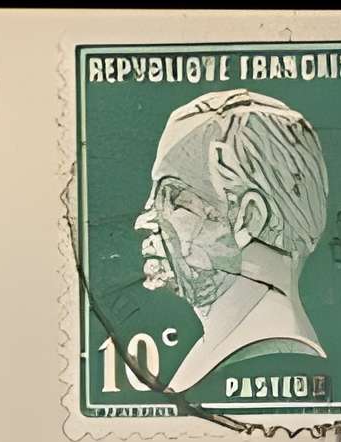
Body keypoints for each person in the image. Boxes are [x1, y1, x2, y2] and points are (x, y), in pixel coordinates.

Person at [133, 90, 330, 393]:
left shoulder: (266, 356)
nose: (144, 220)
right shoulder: (221, 351)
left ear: (249, 217)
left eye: (174, 198)